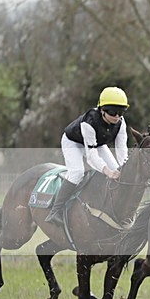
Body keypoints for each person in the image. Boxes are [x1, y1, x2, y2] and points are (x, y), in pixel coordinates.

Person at [45, 86, 129, 226]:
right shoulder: (89, 122)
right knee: (77, 173)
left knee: (118, 170)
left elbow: (122, 150)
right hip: (73, 142)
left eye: (120, 112)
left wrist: (124, 169)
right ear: (102, 109)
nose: (116, 116)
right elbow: (91, 157)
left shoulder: (121, 123)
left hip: (98, 144)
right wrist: (108, 172)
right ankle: (54, 211)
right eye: (113, 111)